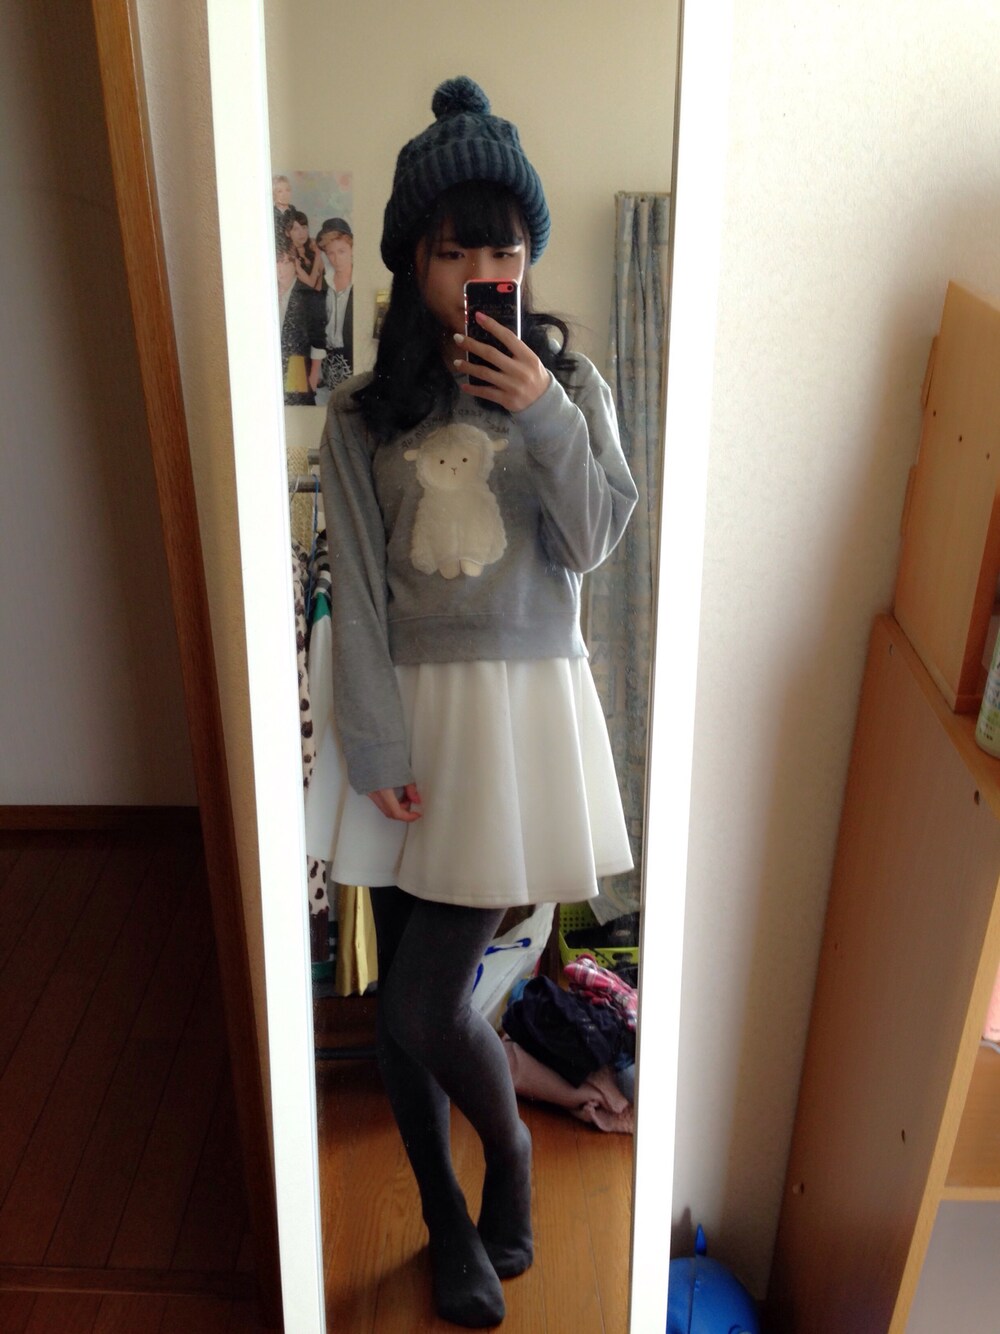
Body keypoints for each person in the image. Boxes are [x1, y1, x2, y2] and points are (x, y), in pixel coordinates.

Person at [318, 76, 637, 1328]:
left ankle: (507, 1156)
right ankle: (450, 1223)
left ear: (526, 259)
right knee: (405, 1015)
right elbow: (354, 584)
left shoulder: (572, 384)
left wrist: (542, 409)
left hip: (521, 725)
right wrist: (371, 739)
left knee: (419, 998)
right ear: (413, 259)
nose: (481, 275)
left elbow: (594, 539)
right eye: (456, 252)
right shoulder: (363, 412)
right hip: (407, 724)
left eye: (503, 252)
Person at [315, 216, 354, 398]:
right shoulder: (325, 282)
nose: (336, 259)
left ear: (352, 249)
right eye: (330, 253)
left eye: (341, 251)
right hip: (328, 360)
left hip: (352, 358)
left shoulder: (359, 282)